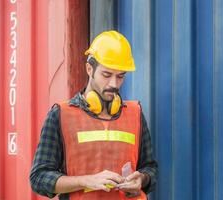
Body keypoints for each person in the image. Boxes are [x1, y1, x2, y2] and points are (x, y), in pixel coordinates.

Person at [30, 30, 158, 200]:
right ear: (89, 69)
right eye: (107, 75)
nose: (114, 83)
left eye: (120, 76)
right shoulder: (60, 115)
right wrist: (86, 181)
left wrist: (142, 179)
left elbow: (150, 168)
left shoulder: (135, 114)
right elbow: (39, 178)